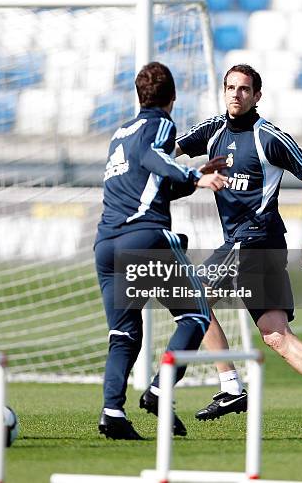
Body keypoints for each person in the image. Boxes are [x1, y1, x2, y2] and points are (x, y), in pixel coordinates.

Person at [176, 63, 302, 427]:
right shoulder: (212, 130)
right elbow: (168, 150)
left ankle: (229, 386)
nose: (236, 94)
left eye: (244, 89)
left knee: (193, 298)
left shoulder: (269, 137)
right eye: (230, 88)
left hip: (254, 241)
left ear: (257, 95)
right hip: (253, 247)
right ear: (224, 93)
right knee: (275, 333)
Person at [94, 61, 227, 440]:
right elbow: (156, 158)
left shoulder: (119, 134)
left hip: (106, 244)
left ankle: (112, 412)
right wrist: (194, 176)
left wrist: (194, 174)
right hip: (144, 237)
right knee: (196, 317)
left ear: (139, 95)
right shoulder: (161, 125)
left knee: (124, 333)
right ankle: (158, 390)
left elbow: (154, 182)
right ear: (172, 97)